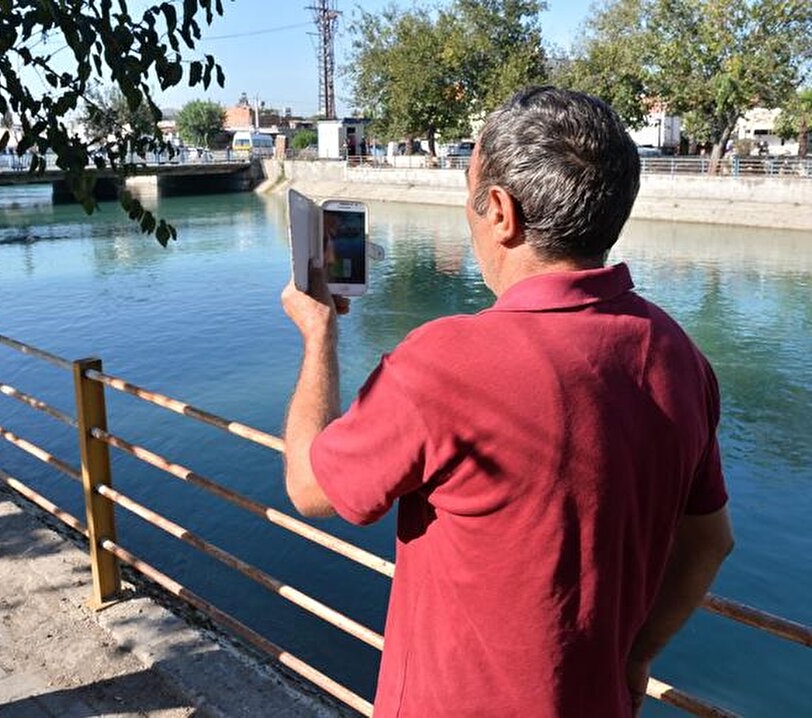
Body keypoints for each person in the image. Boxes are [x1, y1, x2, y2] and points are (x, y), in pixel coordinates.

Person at [280, 86, 733, 717]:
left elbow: (309, 486)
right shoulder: (680, 358)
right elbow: (710, 543)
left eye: (468, 196)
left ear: (500, 211)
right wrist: (636, 656)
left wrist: (318, 333)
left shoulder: (442, 365)